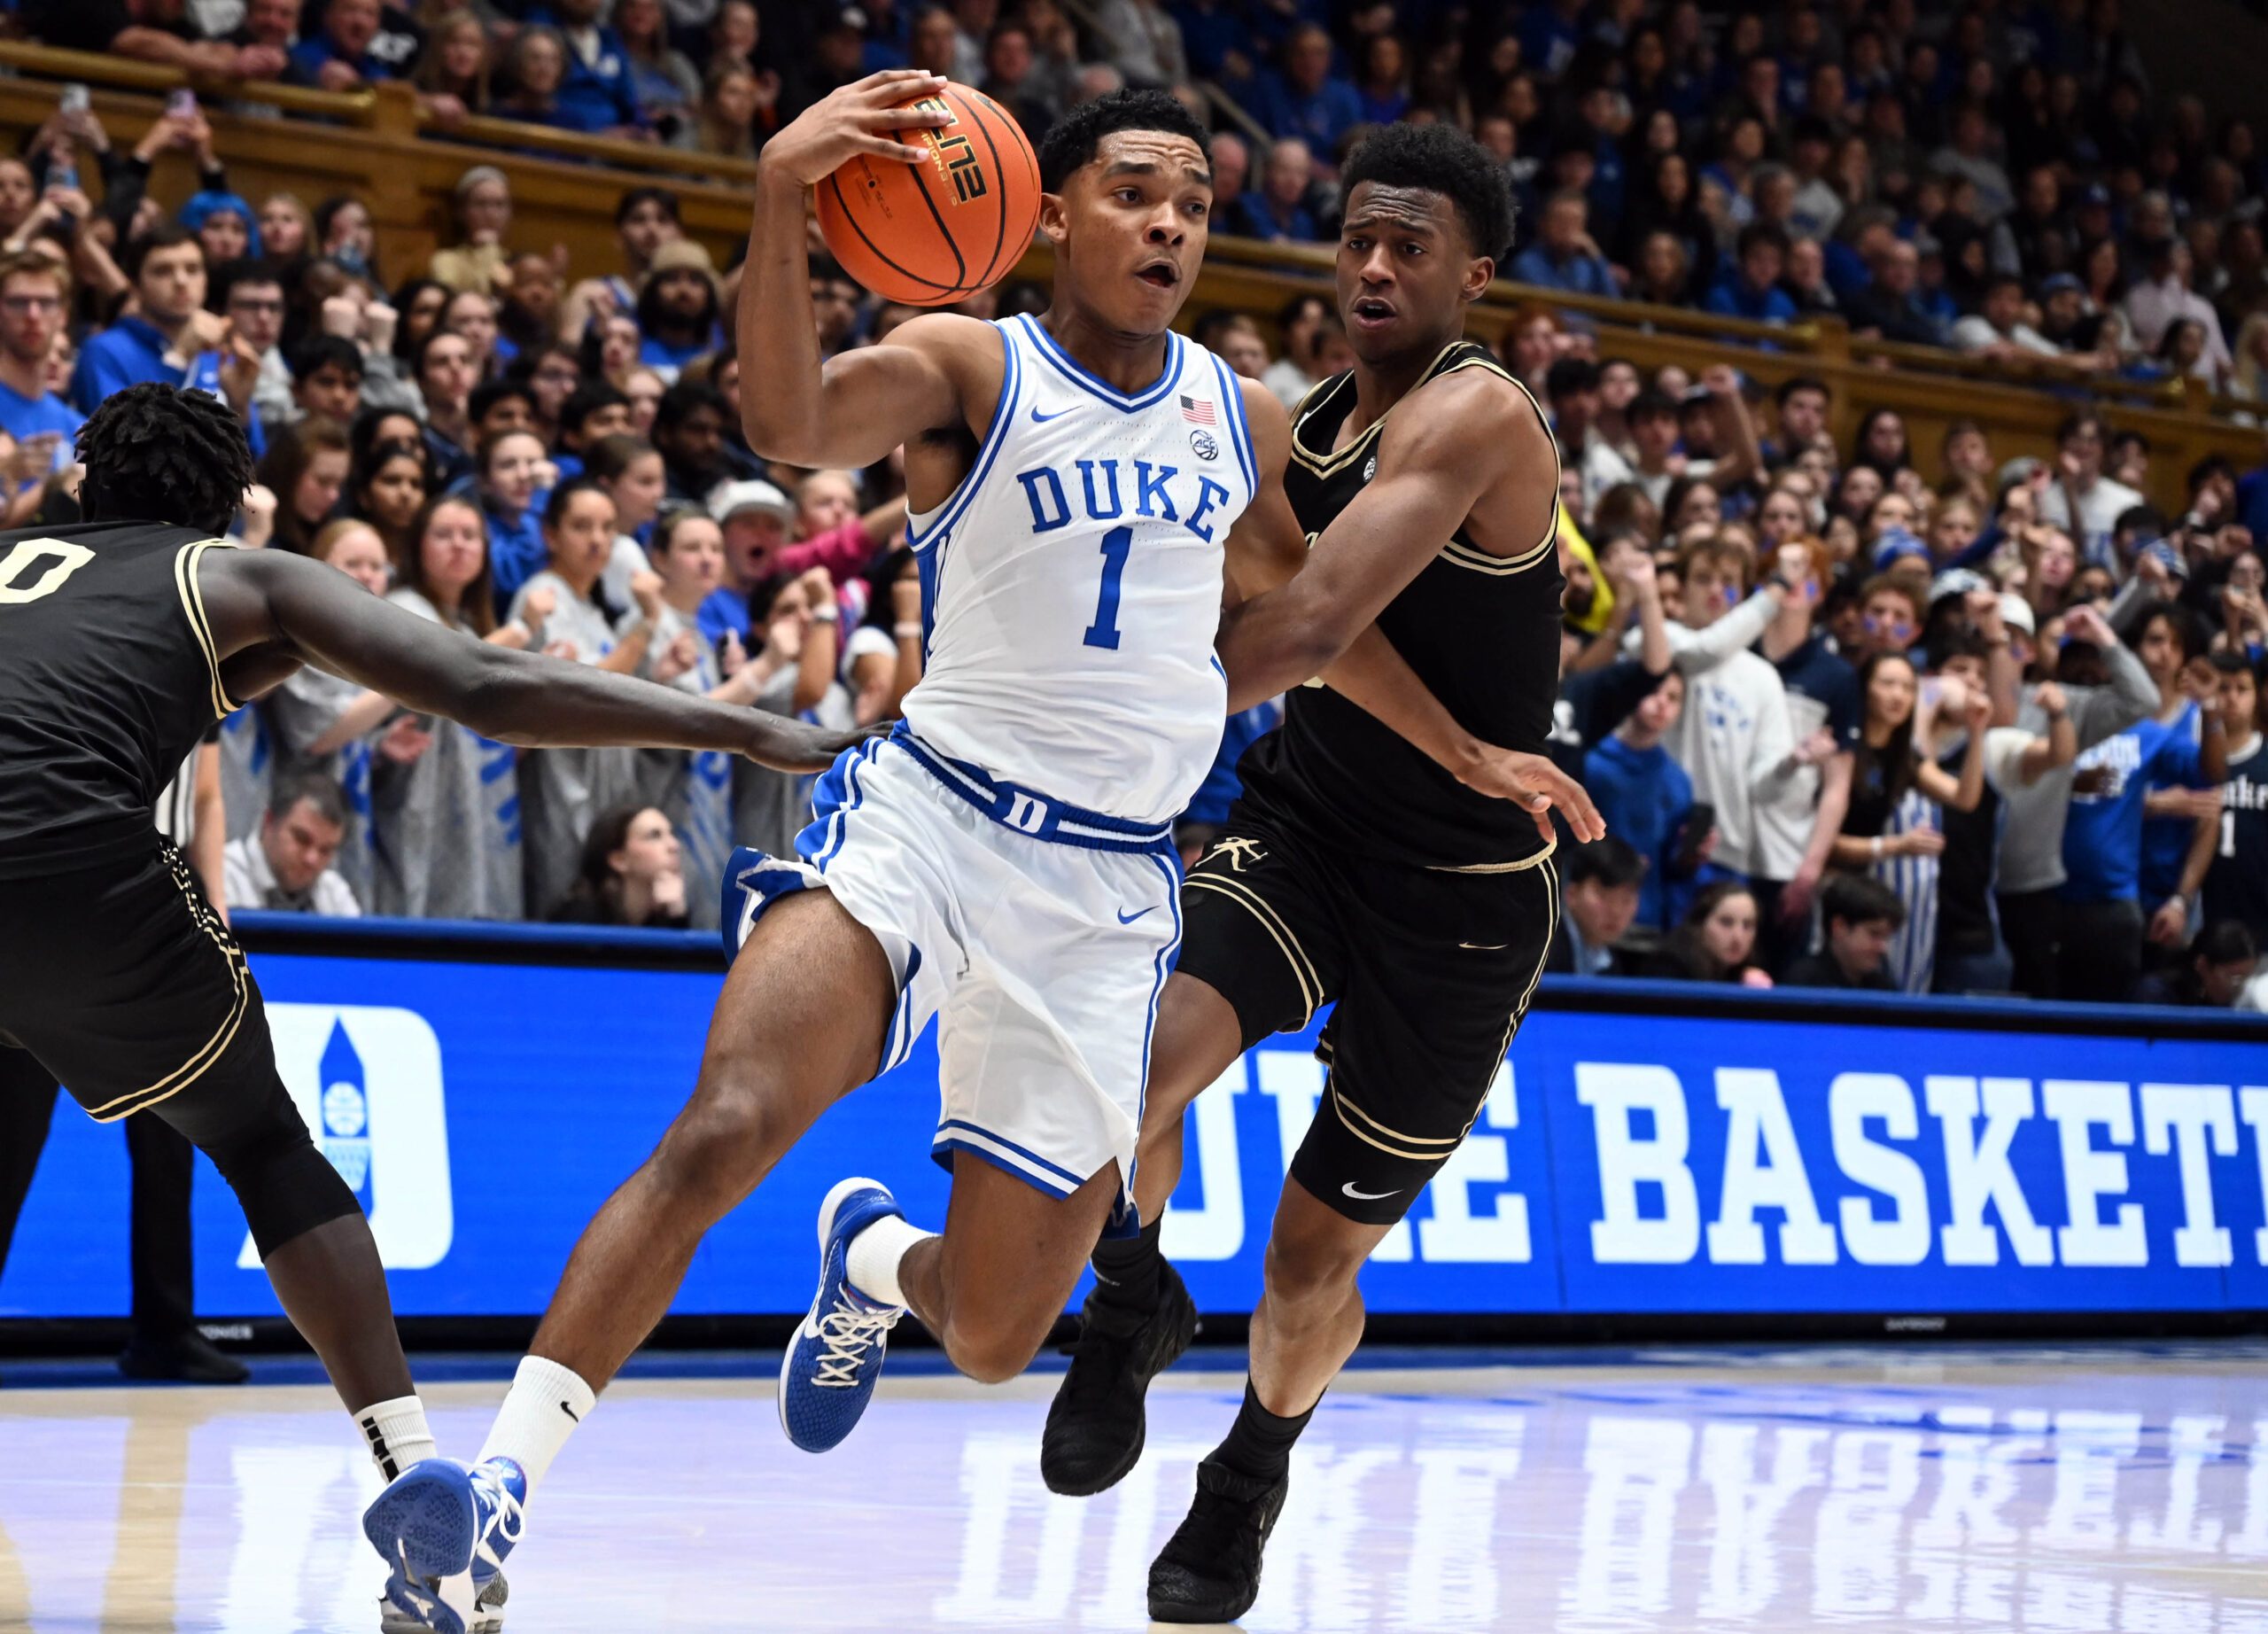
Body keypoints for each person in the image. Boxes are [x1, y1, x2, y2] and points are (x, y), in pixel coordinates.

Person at [363, 86, 1558, 1631]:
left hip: (1108, 890)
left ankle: (872, 1254)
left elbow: (1306, 620)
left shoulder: (1237, 409)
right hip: (933, 817)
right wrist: (786, 192)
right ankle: (489, 1502)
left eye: (1196, 200)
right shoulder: (966, 363)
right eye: (1136, 192)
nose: (1172, 223)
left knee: (995, 1333)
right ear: (1052, 210)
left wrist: (1461, 743)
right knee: (729, 1117)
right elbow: (787, 424)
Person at [0, 384, 852, 1626]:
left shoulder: (25, 560)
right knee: (260, 1142)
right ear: (228, 506)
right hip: (77, 861)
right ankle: (422, 1499)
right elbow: (483, 687)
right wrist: (730, 722)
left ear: (87, 485)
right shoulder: (235, 575)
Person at [1035, 121, 1596, 1624]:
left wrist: (1060, 725)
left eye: (1409, 246)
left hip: (1465, 894)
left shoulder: (1479, 418)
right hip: (1307, 825)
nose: (1369, 265)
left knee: (1306, 1259)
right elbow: (1312, 643)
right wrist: (1470, 739)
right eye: (1354, 236)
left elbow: (1299, 635)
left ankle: (1250, 1467)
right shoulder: (1289, 428)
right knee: (1131, 1070)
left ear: (1474, 275)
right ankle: (1133, 1292)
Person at [374, 495, 533, 920]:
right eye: (443, 535)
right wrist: (519, 634)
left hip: (469, 809)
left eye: (470, 536)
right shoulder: (404, 607)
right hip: (417, 798)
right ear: (418, 547)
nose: (459, 545)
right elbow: (454, 668)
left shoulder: (464, 625)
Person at [223, 774, 362, 915]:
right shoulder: (220, 876)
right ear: (268, 821)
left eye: (325, 850)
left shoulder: (334, 894)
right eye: (302, 839)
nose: (311, 859)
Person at [547, 804, 690, 926]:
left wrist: (675, 914)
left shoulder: (665, 913)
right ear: (619, 860)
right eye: (654, 836)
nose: (674, 845)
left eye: (671, 834)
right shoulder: (582, 916)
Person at [1783, 873, 1906, 990]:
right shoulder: (1801, 983)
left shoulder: (1884, 987)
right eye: (1874, 934)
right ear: (1839, 927)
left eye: (1886, 938)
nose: (1883, 948)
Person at [1644, 880, 1775, 984]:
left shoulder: (1749, 973)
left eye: (1748, 925)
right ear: (1699, 924)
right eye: (1726, 922)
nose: (1738, 937)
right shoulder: (1668, 968)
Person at [1546, 836, 1643, 975]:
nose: (1615, 911)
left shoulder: (1612, 963)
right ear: (1571, 893)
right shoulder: (1541, 952)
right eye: (1603, 896)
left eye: (1626, 900)